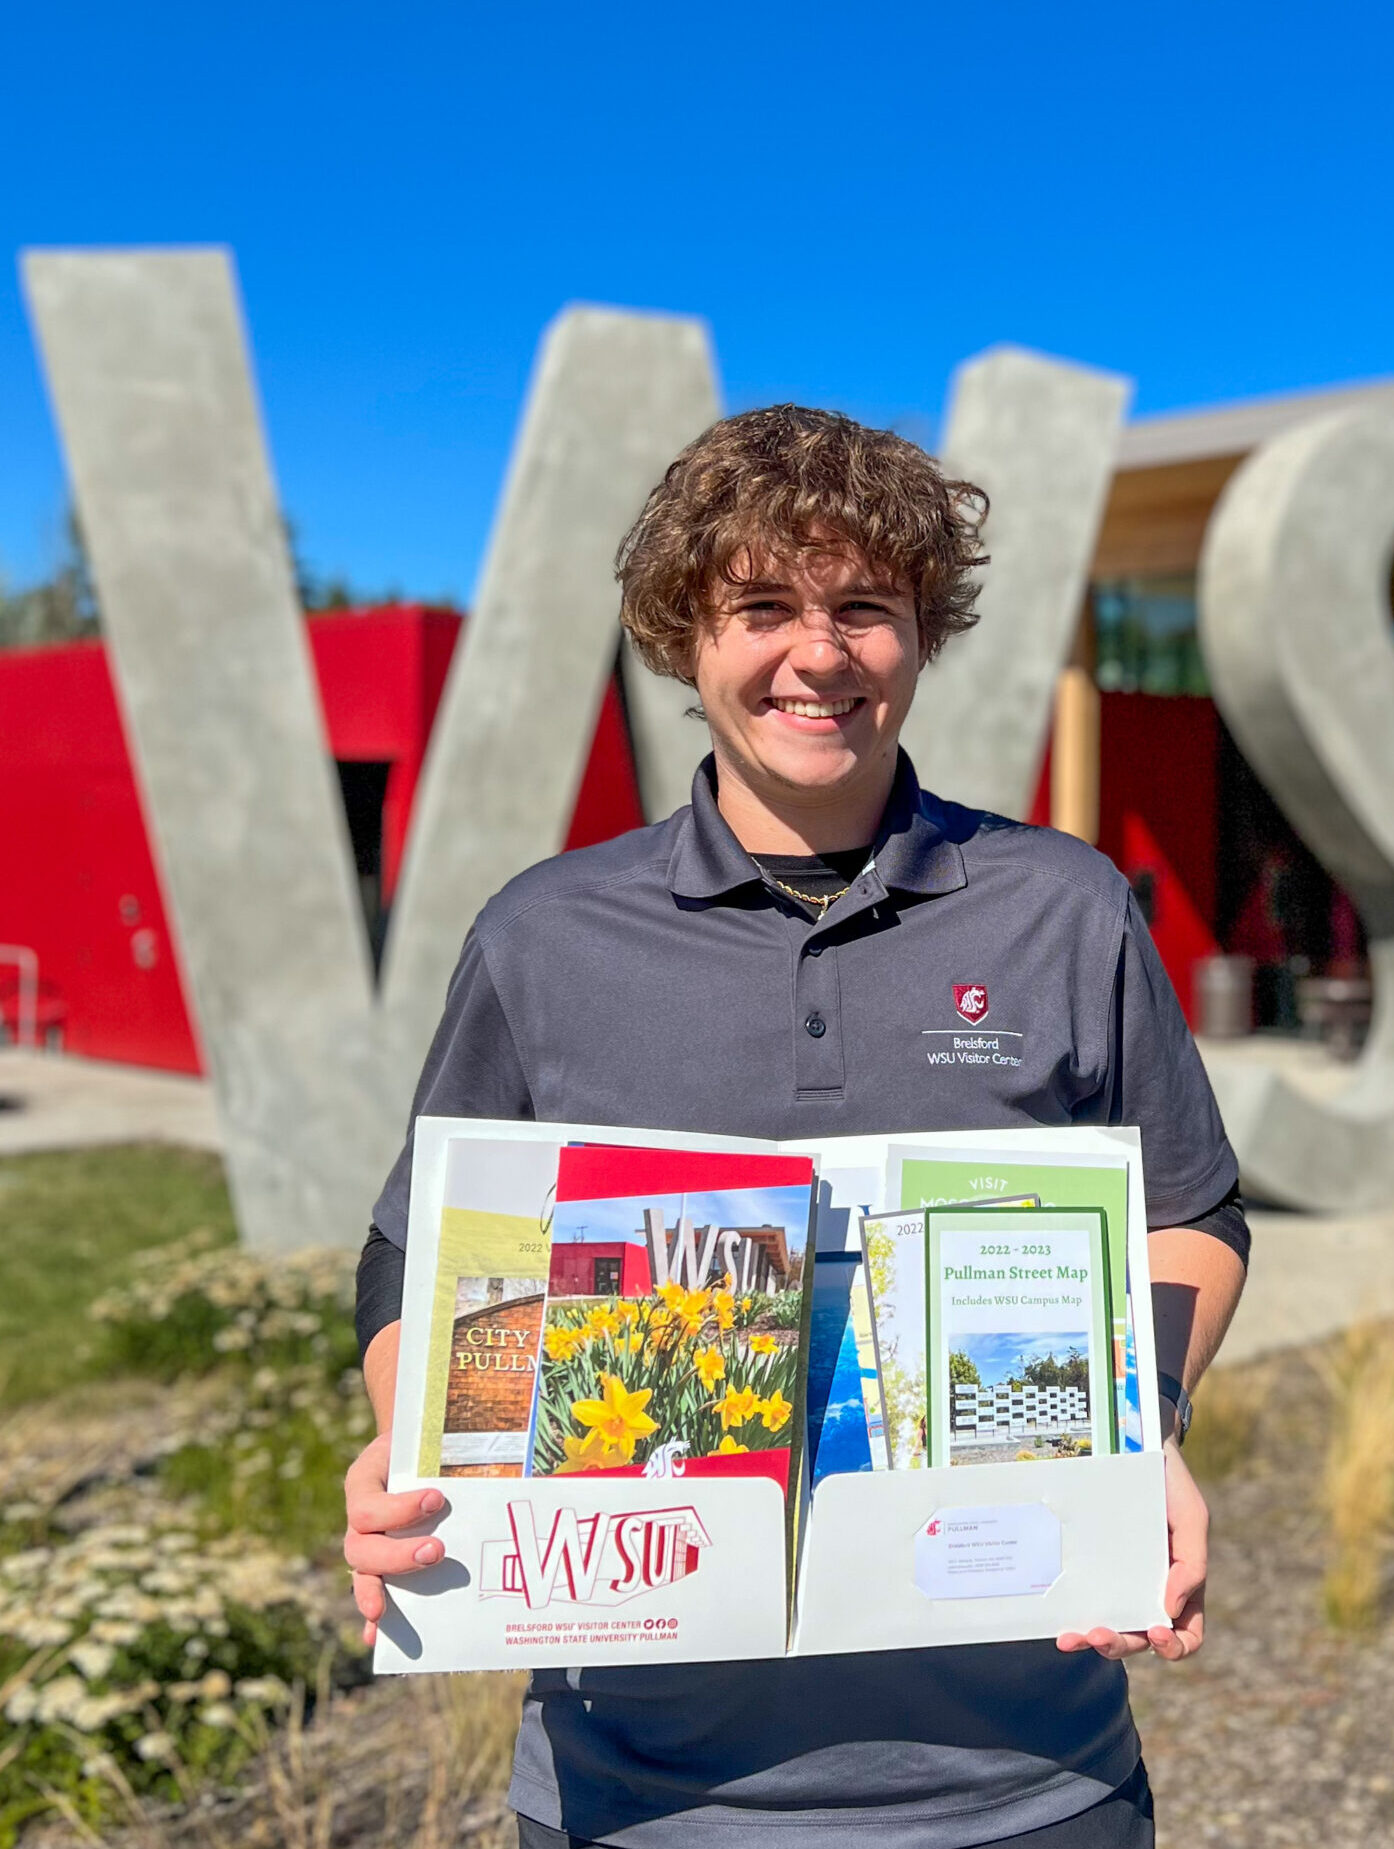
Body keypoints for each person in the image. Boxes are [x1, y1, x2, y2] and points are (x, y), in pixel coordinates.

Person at [344, 405, 1250, 1848]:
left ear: (919, 634)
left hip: (1029, 1783)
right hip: (641, 1793)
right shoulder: (546, 932)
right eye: (762, 605)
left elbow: (1188, 1211)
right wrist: (414, 1446)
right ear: (684, 636)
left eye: (864, 608)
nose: (817, 654)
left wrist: (1144, 1423)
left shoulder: (1061, 904)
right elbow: (420, 1250)